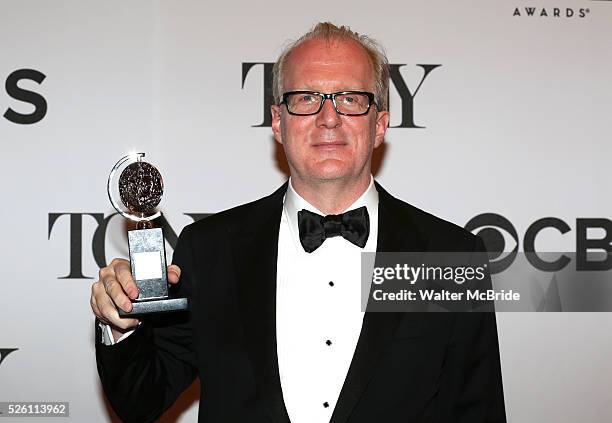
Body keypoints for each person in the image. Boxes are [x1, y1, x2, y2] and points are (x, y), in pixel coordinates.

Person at [92, 22, 506, 423]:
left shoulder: (449, 254)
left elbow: (476, 410)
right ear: (278, 122)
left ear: (379, 125)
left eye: (350, 98)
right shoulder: (209, 249)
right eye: (306, 98)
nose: (329, 118)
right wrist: (120, 323)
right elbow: (141, 400)